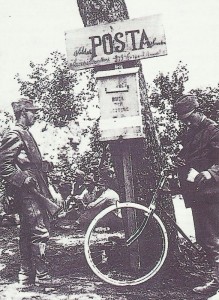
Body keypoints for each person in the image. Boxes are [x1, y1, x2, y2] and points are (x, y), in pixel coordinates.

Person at [0, 98, 62, 288]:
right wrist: (23, 179)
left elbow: (26, 162)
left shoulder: (25, 133)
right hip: (27, 192)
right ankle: (42, 277)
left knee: (28, 232)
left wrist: (43, 165)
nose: (35, 115)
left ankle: (26, 276)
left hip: (34, 189)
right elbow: (4, 164)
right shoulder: (15, 133)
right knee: (39, 232)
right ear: (22, 113)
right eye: (32, 111)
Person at [174, 94, 219, 297]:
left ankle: (217, 283)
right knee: (204, 238)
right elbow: (189, 155)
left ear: (199, 111)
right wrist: (179, 161)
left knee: (212, 239)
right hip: (197, 194)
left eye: (190, 117)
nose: (187, 122)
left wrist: (209, 173)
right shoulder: (192, 132)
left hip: (212, 193)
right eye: (184, 120)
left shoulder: (213, 130)